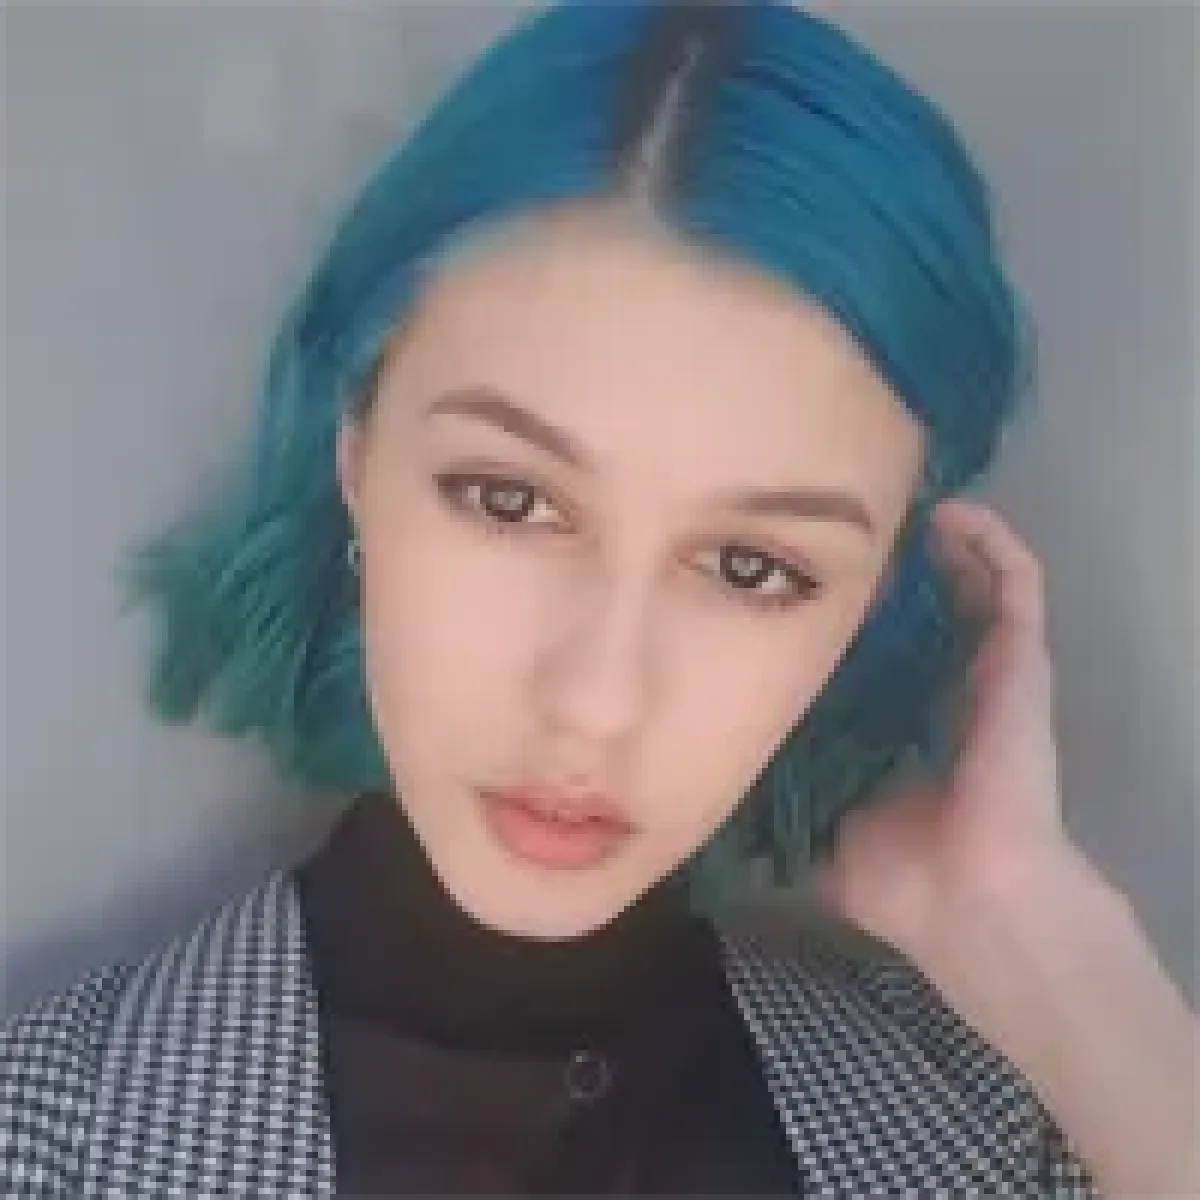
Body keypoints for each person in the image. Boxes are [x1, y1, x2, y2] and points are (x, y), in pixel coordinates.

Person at [2, 0, 1197, 1195]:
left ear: (870, 601)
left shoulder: (1026, 1128)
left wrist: (1045, 939)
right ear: (356, 459)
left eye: (753, 568)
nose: (596, 700)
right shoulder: (39, 1143)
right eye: (509, 500)